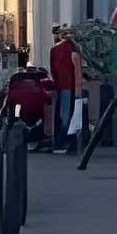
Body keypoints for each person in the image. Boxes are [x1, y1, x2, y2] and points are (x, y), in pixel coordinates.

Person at [48, 24, 82, 152]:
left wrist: (56, 84)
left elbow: (53, 70)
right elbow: (77, 71)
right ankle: (66, 140)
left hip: (62, 85)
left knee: (64, 114)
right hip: (71, 86)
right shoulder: (75, 50)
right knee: (69, 114)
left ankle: (61, 140)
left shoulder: (55, 50)